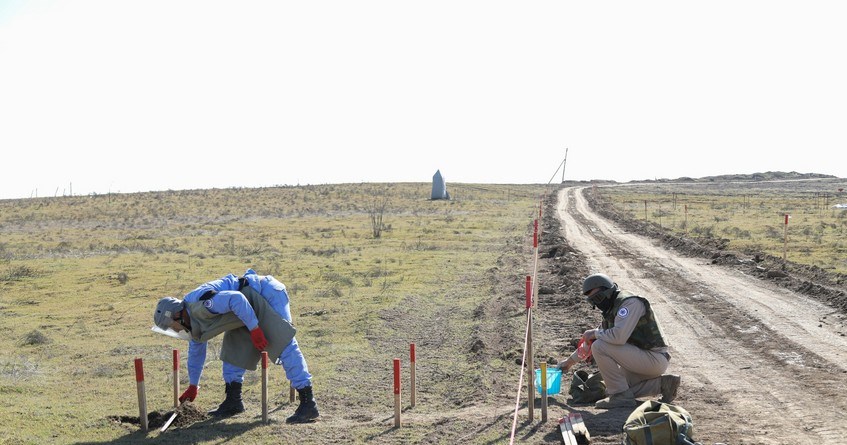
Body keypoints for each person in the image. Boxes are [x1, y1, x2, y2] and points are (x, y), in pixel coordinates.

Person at [153, 268, 320, 423]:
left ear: (176, 315)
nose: (174, 331)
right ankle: (233, 402)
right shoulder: (191, 323)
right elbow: (196, 350)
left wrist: (254, 329)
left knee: (283, 343)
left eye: (171, 327)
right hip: (243, 311)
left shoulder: (202, 304)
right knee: (233, 352)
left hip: (265, 294)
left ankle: (308, 403)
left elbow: (236, 298)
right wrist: (193, 385)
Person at [558, 273, 681, 409]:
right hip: (639, 360)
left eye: (598, 298)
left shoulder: (630, 303)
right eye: (593, 301)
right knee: (609, 389)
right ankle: (663, 384)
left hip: (653, 358)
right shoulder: (612, 310)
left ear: (608, 291)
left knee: (600, 346)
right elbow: (589, 344)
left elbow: (618, 337)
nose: (597, 304)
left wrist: (594, 333)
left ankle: (620, 396)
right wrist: (568, 363)